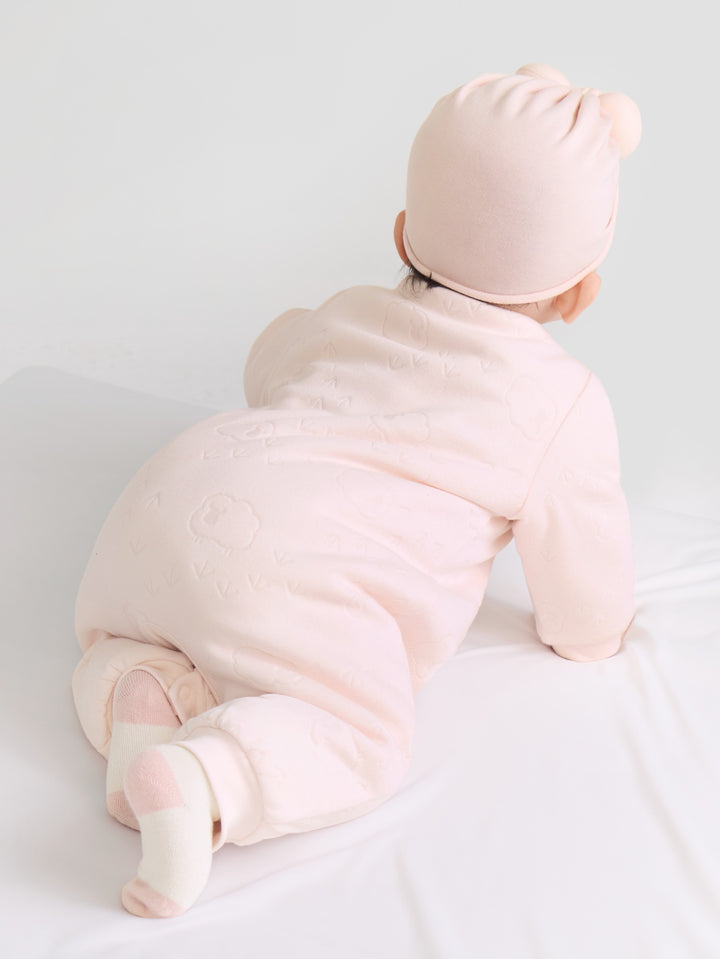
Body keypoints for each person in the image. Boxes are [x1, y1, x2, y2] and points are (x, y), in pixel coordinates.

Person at [72, 63, 641, 918]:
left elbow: (267, 361)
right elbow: (585, 615)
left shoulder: (346, 311)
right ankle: (208, 775)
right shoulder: (561, 405)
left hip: (162, 502)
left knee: (127, 632)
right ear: (578, 292)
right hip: (299, 572)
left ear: (404, 235)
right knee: (362, 734)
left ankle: (139, 693)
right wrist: (598, 631)